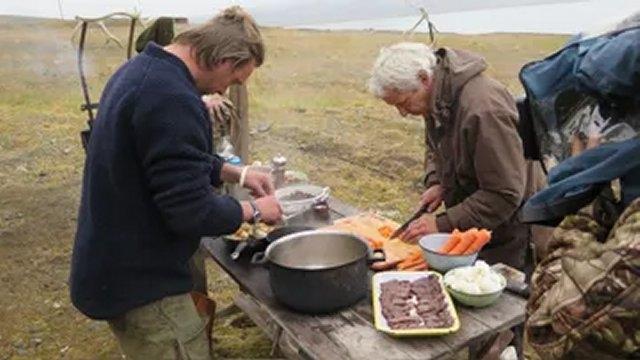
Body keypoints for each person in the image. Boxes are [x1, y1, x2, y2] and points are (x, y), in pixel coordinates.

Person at [69, 6, 282, 359]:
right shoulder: (172, 99)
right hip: (143, 284)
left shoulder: (141, 71)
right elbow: (191, 212)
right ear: (225, 61)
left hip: (117, 261)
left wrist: (236, 173)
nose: (227, 91)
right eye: (233, 81)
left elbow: (163, 158)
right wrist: (256, 210)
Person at [368, 42, 544, 270]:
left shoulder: (483, 110)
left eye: (403, 103)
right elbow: (436, 145)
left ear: (424, 78)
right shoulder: (437, 97)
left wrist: (443, 223)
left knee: (497, 292)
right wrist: (437, 181)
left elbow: (504, 194)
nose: (402, 113)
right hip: (476, 217)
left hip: (511, 226)